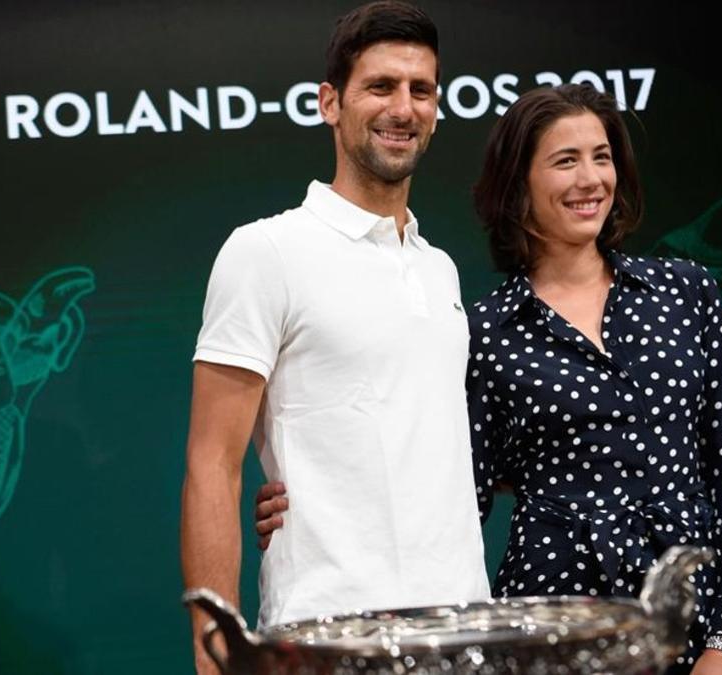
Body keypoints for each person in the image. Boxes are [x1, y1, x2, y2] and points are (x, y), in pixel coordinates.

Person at [257, 84, 722, 674]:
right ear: (518, 186)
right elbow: (446, 497)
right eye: (566, 161)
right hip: (549, 634)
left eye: (602, 156)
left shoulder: (685, 293)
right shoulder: (481, 334)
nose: (591, 180)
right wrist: (316, 502)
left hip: (696, 628)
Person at [180, 2, 489, 673]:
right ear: (330, 102)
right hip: (320, 638)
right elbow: (212, 463)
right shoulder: (265, 251)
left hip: (461, 635)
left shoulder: (439, 269)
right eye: (380, 87)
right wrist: (214, 655)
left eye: (421, 90)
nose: (403, 108)